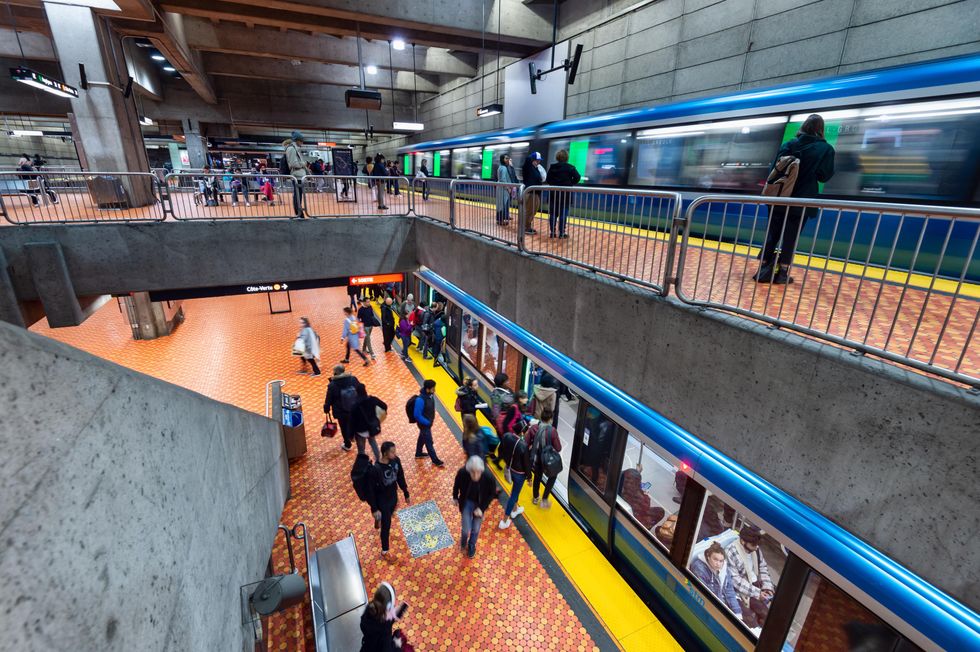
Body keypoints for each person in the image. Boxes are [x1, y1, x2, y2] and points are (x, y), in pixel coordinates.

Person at [755, 114, 836, 285]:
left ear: (803, 127)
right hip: (802, 201)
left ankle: (763, 268)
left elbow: (774, 170)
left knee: (772, 233)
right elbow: (824, 176)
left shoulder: (789, 144)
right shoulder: (826, 149)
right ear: (820, 129)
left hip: (779, 198)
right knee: (791, 236)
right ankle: (783, 273)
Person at [725, 524, 774, 629]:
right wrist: (757, 593)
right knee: (752, 622)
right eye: (753, 546)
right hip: (741, 591)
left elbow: (763, 567)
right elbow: (736, 581)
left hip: (754, 586)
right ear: (743, 541)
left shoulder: (755, 548)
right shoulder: (731, 552)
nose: (756, 548)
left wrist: (767, 587)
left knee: (767, 616)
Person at [366, 441, 410, 557]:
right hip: (382, 500)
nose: (395, 454)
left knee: (388, 515)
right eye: (392, 452)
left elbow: (400, 476)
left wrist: (405, 492)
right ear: (385, 453)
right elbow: (370, 491)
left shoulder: (396, 461)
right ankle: (385, 550)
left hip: (393, 497)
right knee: (386, 525)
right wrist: (374, 509)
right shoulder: (376, 470)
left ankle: (378, 518)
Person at [452, 455, 497, 558]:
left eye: (478, 472)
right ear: (469, 470)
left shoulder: (488, 476)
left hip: (480, 504)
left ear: (482, 470)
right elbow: (456, 485)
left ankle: (471, 545)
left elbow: (492, 493)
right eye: (473, 472)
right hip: (466, 502)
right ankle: (463, 543)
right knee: (465, 528)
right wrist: (455, 497)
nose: (476, 475)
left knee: (476, 529)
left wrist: (481, 509)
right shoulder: (463, 472)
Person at [691, 542, 742, 617]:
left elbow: (729, 590)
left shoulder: (724, 569)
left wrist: (737, 612)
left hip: (724, 600)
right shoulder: (699, 568)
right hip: (712, 606)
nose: (718, 564)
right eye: (715, 559)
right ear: (708, 557)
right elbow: (705, 595)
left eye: (721, 561)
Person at [498, 418, 531, 530]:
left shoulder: (507, 436)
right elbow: (527, 464)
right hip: (520, 473)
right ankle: (504, 520)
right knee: (514, 494)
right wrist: (529, 478)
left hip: (510, 468)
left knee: (515, 491)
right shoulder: (523, 445)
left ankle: (515, 509)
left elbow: (500, 450)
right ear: (522, 432)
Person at [526, 409, 561, 508]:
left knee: (537, 477)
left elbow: (526, 443)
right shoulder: (552, 431)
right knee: (553, 476)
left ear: (541, 417)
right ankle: (544, 499)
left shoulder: (533, 428)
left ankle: (536, 497)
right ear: (550, 419)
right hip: (547, 461)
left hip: (536, 459)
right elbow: (558, 448)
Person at [359, 582, 408, 652]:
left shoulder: (369, 610)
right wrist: (397, 645)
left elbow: (378, 622)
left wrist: (393, 615)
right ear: (389, 606)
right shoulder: (385, 631)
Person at [324, 364, 361, 451]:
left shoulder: (332, 384)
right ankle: (352, 436)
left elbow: (329, 398)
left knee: (344, 427)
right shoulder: (353, 379)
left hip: (341, 411)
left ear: (336, 373)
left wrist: (326, 408)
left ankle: (347, 444)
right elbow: (359, 389)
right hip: (353, 407)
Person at [545, 149, 581, 238]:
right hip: (565, 195)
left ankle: (552, 233)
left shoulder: (552, 167)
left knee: (553, 214)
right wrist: (569, 183)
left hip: (554, 194)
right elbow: (578, 177)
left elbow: (548, 179)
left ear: (557, 157)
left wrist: (554, 183)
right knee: (563, 214)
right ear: (567, 158)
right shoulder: (571, 167)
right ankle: (561, 233)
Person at [411, 379, 444, 466]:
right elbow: (417, 415)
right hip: (424, 424)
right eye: (433, 389)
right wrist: (427, 422)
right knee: (429, 442)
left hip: (428, 423)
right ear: (427, 389)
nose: (434, 390)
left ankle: (418, 453)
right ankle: (435, 460)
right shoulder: (420, 400)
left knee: (422, 437)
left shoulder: (430, 395)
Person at [351, 383, 386, 461]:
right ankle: (378, 460)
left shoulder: (355, 405)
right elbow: (384, 406)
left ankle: (363, 463)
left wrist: (351, 435)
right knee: (373, 443)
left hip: (360, 430)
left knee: (361, 449)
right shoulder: (372, 399)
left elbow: (352, 421)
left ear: (357, 392)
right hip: (371, 427)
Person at [283, 131, 309, 217]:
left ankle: (299, 212)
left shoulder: (294, 148)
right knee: (297, 196)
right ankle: (298, 213)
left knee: (299, 195)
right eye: (301, 140)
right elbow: (294, 163)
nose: (302, 142)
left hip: (299, 175)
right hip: (297, 175)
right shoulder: (291, 149)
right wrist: (303, 164)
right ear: (297, 140)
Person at [521, 151, 546, 234]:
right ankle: (525, 228)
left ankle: (528, 226)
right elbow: (527, 160)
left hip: (536, 193)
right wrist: (532, 158)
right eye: (537, 160)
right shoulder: (528, 167)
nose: (539, 162)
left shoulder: (535, 168)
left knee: (533, 211)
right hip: (530, 193)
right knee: (529, 211)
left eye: (539, 160)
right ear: (533, 160)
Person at [495, 154, 518, 225]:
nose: (508, 160)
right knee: (502, 204)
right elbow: (503, 179)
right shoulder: (504, 168)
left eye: (508, 158)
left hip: (502, 188)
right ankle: (500, 220)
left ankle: (501, 219)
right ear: (502, 160)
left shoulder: (501, 167)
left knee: (502, 203)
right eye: (506, 158)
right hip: (504, 189)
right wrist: (508, 188)